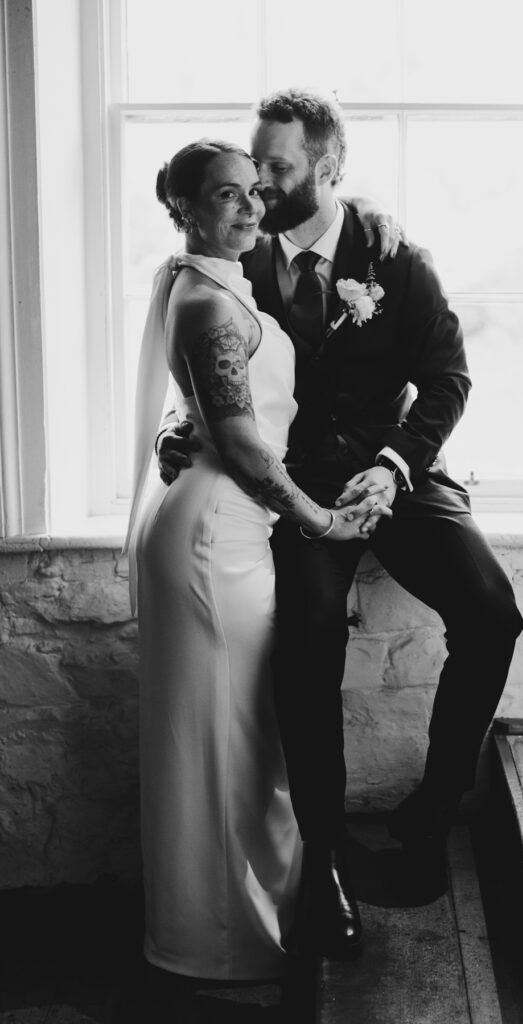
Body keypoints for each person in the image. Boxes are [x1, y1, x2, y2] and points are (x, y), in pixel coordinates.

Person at [159, 88, 523, 961]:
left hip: (397, 476)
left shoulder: (396, 257)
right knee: (310, 638)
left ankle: (433, 809)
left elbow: (448, 378)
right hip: (295, 491)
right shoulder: (235, 253)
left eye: (275, 169)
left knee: (492, 611)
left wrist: (395, 465)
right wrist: (184, 423)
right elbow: (209, 363)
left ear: (326, 170)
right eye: (249, 170)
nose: (256, 185)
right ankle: (320, 859)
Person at [123, 139, 393, 982]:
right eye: (226, 197)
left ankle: (249, 917)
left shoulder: (205, 281)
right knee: (223, 741)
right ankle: (219, 942)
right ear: (184, 210)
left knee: (240, 735)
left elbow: (207, 401)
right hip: (214, 540)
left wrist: (184, 420)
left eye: (252, 192)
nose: (248, 209)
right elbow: (240, 438)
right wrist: (317, 519)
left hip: (226, 526)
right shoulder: (204, 300)